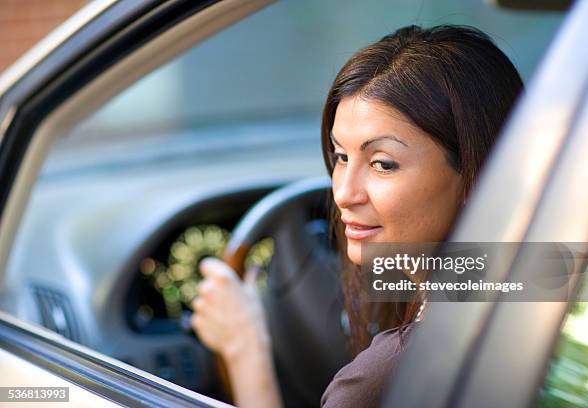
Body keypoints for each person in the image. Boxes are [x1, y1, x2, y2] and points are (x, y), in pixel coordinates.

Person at [190, 25, 523, 408]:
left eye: (382, 164)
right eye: (341, 157)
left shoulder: (392, 376)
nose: (344, 194)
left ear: (479, 173)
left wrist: (242, 346)